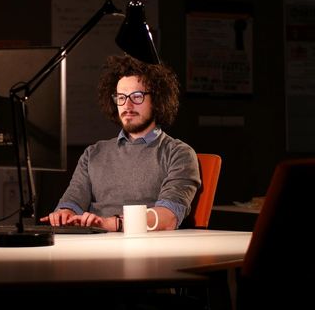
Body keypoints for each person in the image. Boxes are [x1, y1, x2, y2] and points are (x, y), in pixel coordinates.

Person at [40, 55, 201, 231]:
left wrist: (113, 224)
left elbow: (168, 216)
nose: (127, 105)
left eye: (137, 96)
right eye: (121, 97)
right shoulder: (94, 153)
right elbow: (72, 202)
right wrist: (65, 213)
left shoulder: (179, 153)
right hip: (94, 246)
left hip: (149, 249)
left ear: (157, 99)